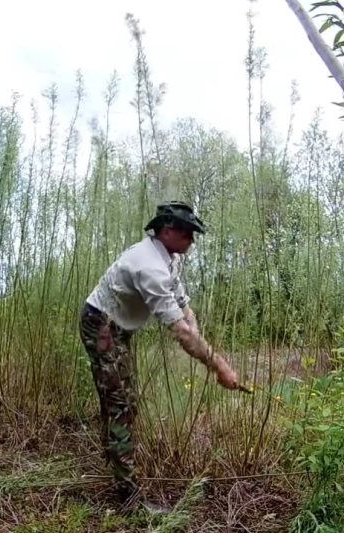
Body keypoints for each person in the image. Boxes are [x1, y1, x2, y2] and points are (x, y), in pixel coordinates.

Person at [78, 200, 240, 512]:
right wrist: (220, 366)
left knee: (123, 400)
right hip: (101, 324)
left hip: (119, 328)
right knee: (121, 403)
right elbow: (180, 333)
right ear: (167, 231)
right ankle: (127, 496)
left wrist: (194, 327)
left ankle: (114, 460)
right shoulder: (147, 266)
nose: (192, 239)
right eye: (188, 233)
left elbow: (182, 304)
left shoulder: (167, 257)